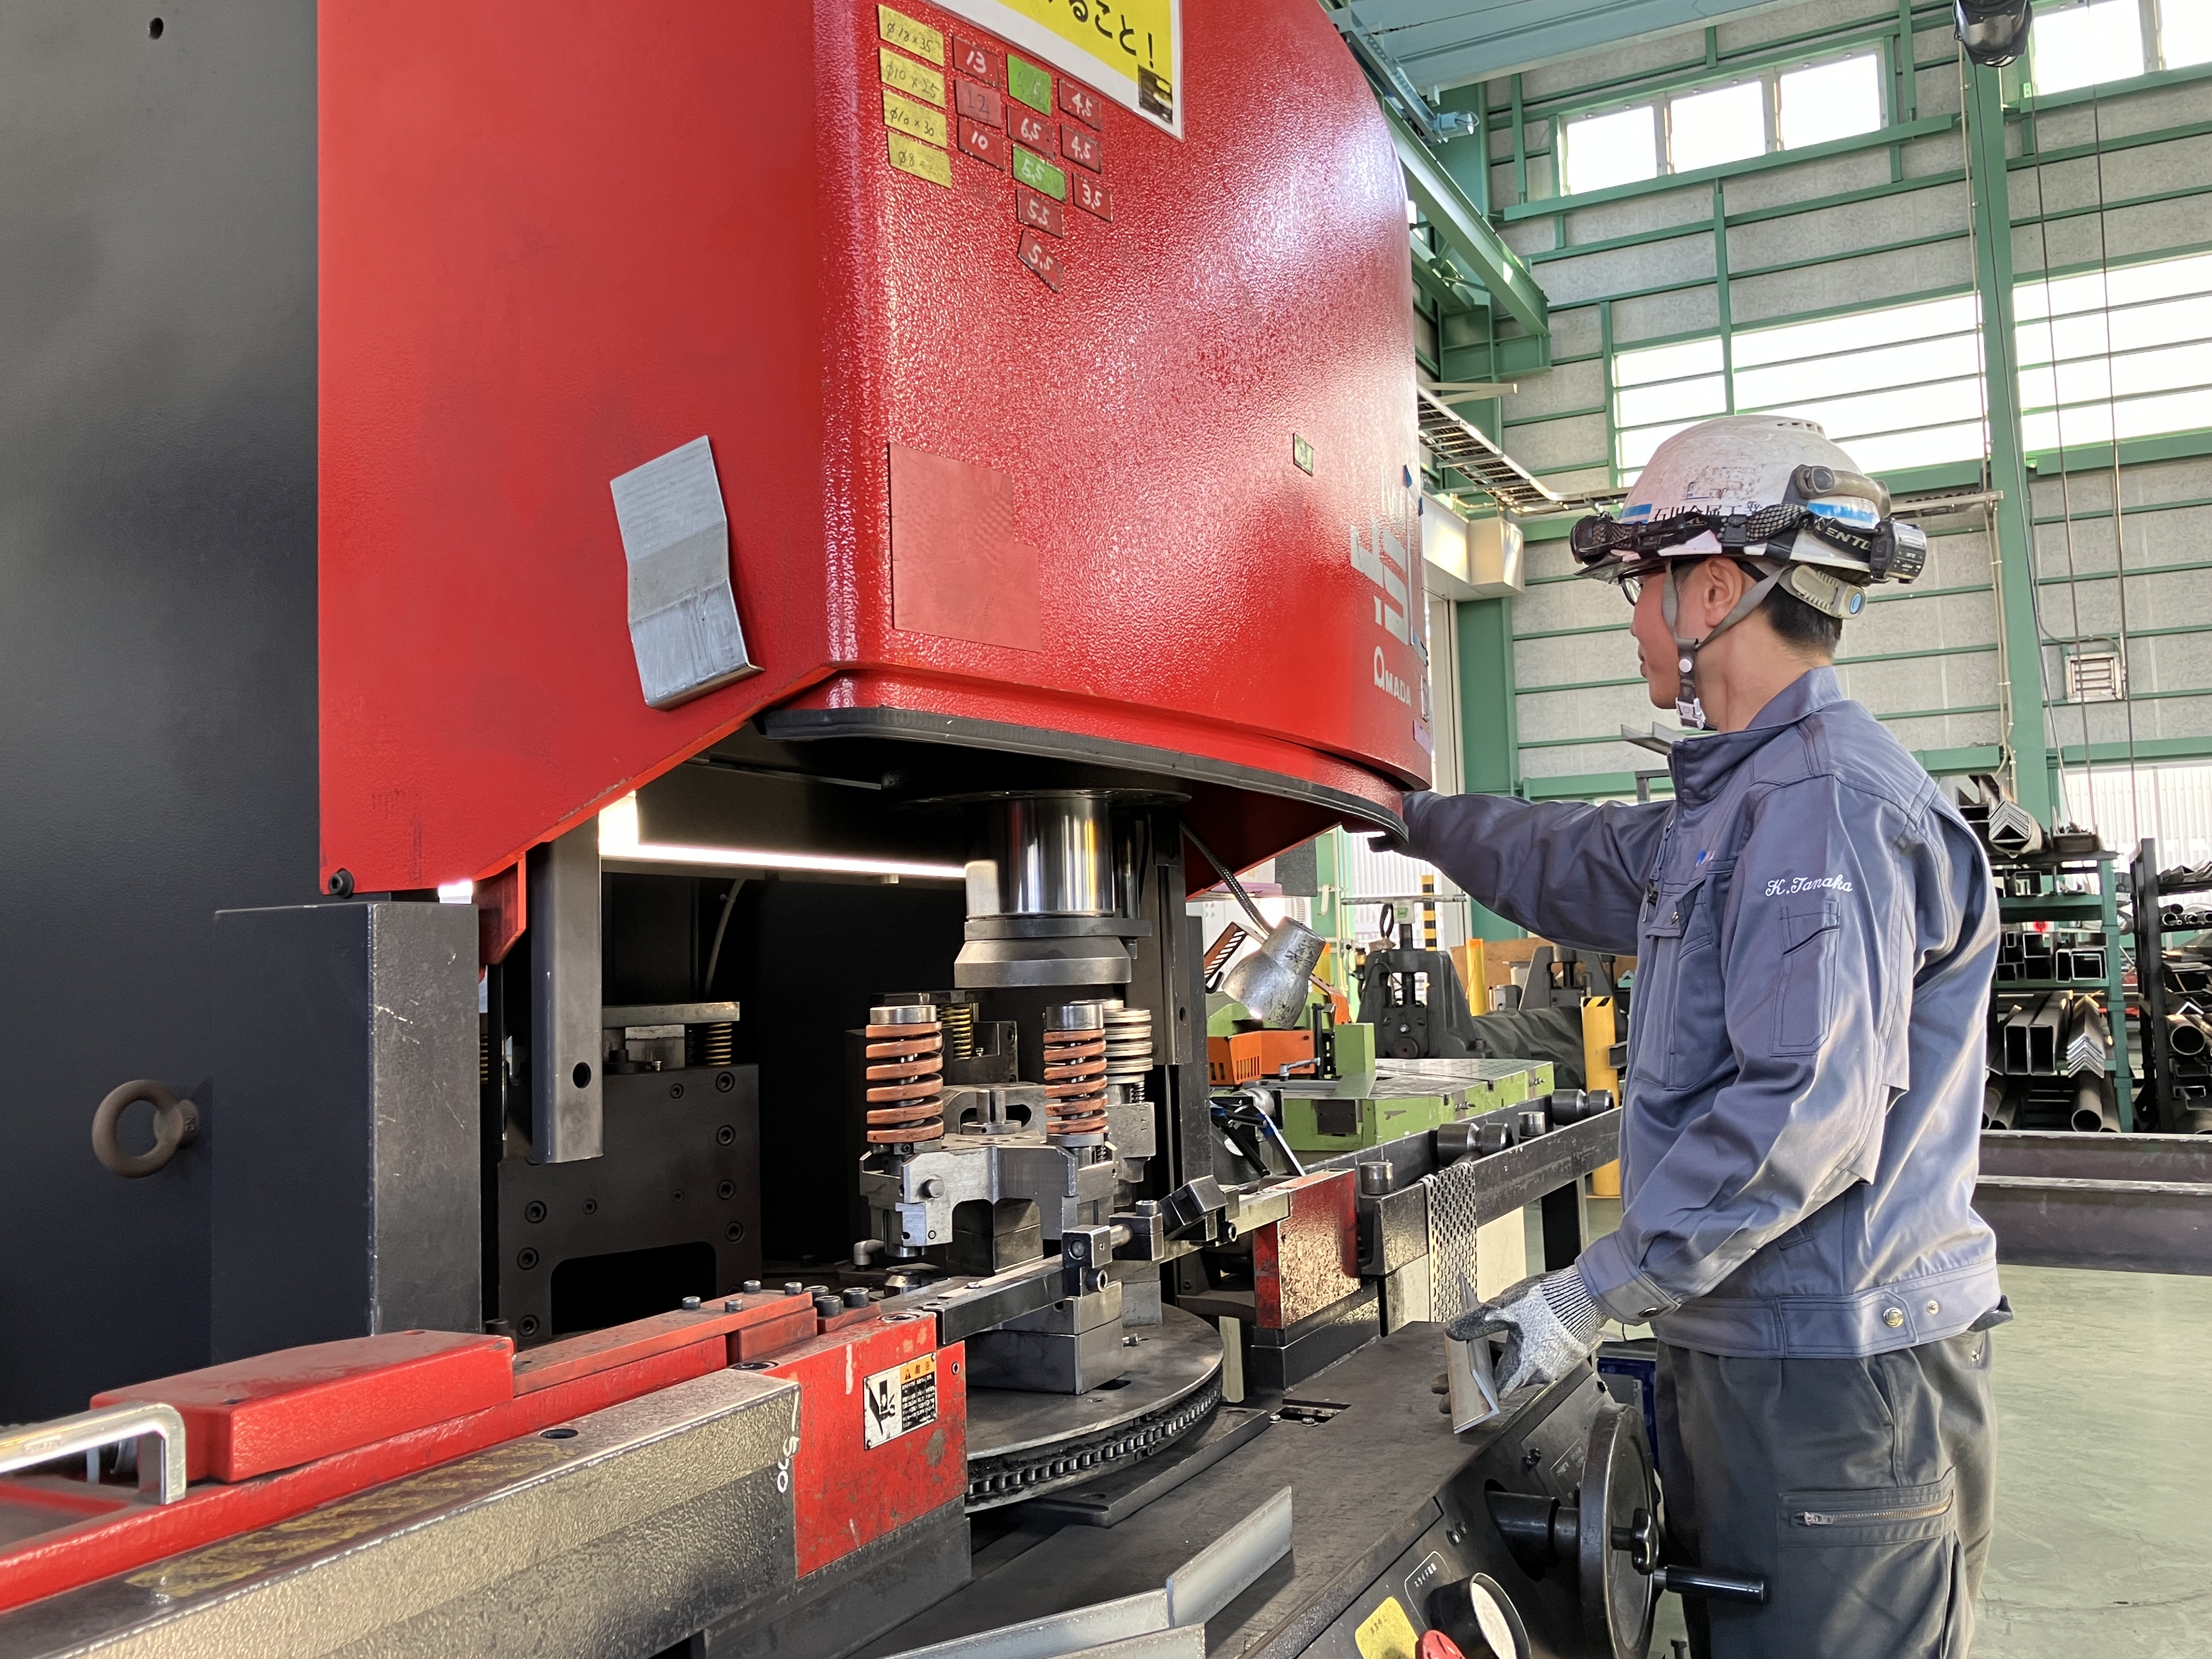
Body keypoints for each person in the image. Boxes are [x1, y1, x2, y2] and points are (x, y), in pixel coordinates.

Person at [1396, 415, 2007, 1658]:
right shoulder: (1746, 798)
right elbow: (1575, 861)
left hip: (1832, 1381)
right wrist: (1407, 814)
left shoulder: (1824, 802)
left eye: (1643, 585)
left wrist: (1589, 1294)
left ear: (1715, 592)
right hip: (1773, 1354)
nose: (1634, 620)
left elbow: (1805, 1113)